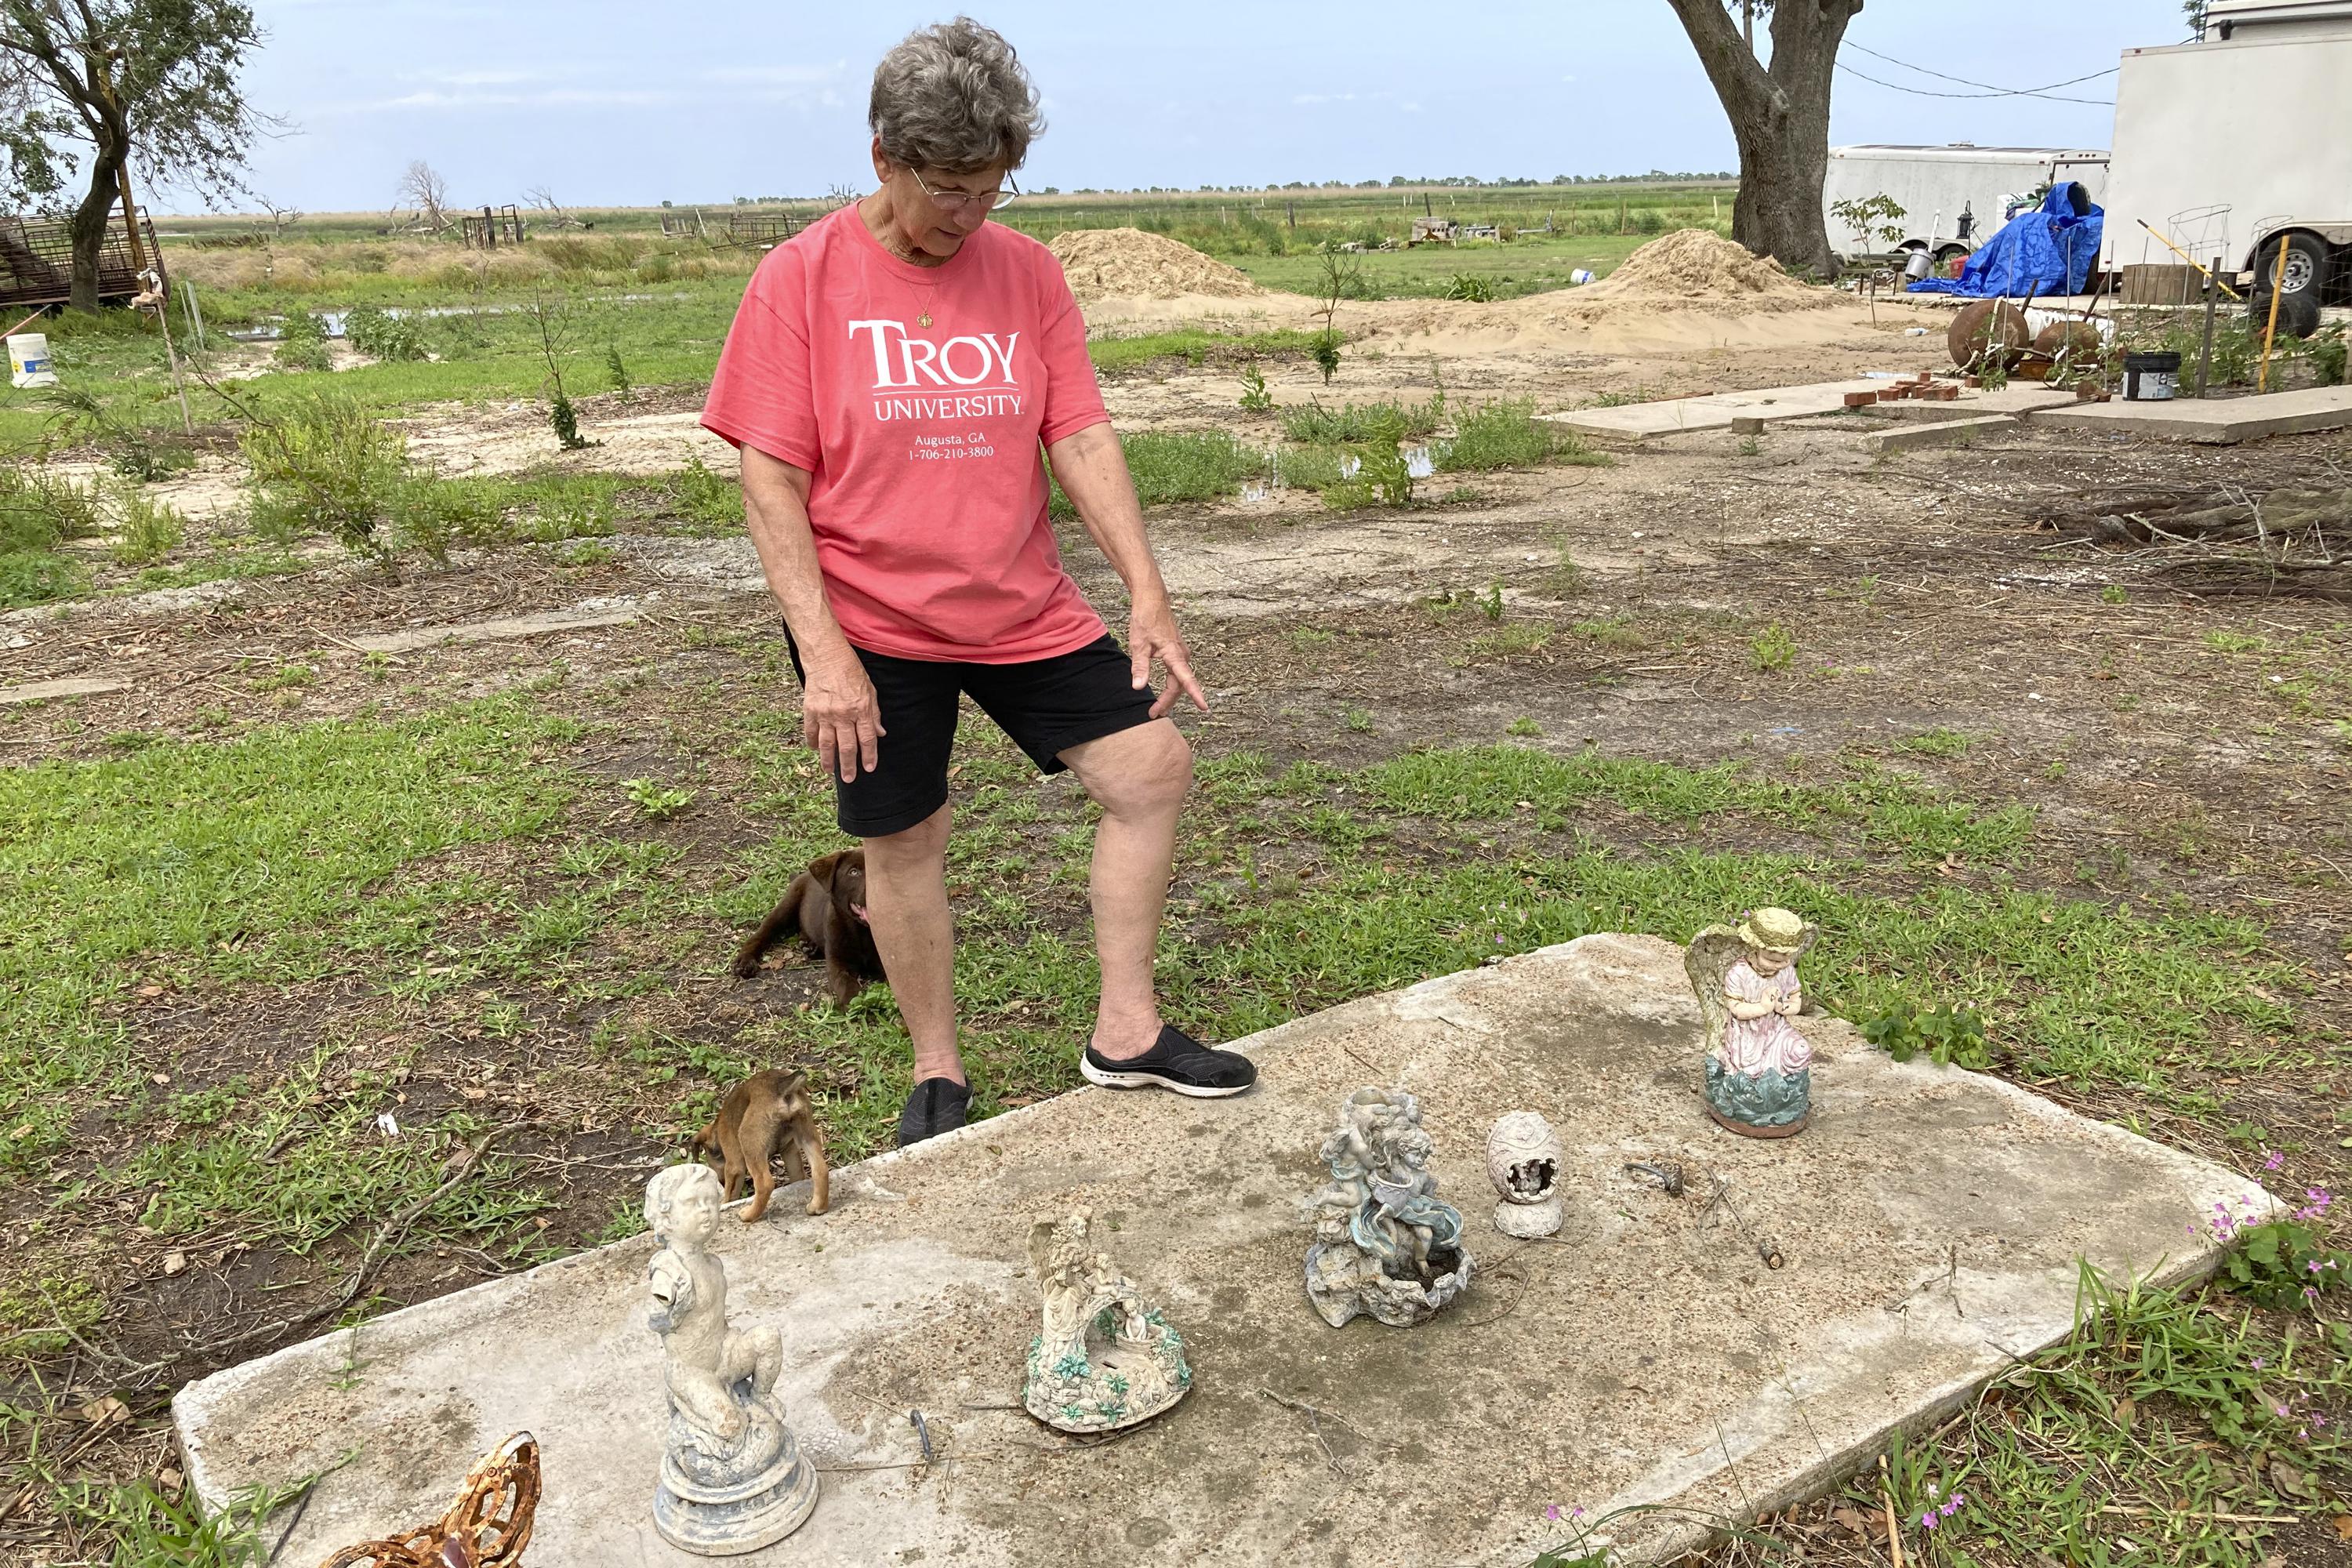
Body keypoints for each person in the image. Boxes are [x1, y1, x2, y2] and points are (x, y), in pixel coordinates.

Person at [700, 19, 1256, 1149]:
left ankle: (1129, 1031)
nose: (968, 212)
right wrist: (826, 657)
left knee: (1150, 771)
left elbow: (1080, 434)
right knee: (908, 839)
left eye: (989, 187)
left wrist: (1147, 591)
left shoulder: (1028, 272)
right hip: (872, 621)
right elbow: (772, 486)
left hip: (1020, 604)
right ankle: (938, 1072)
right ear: (883, 161)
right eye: (947, 188)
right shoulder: (797, 283)